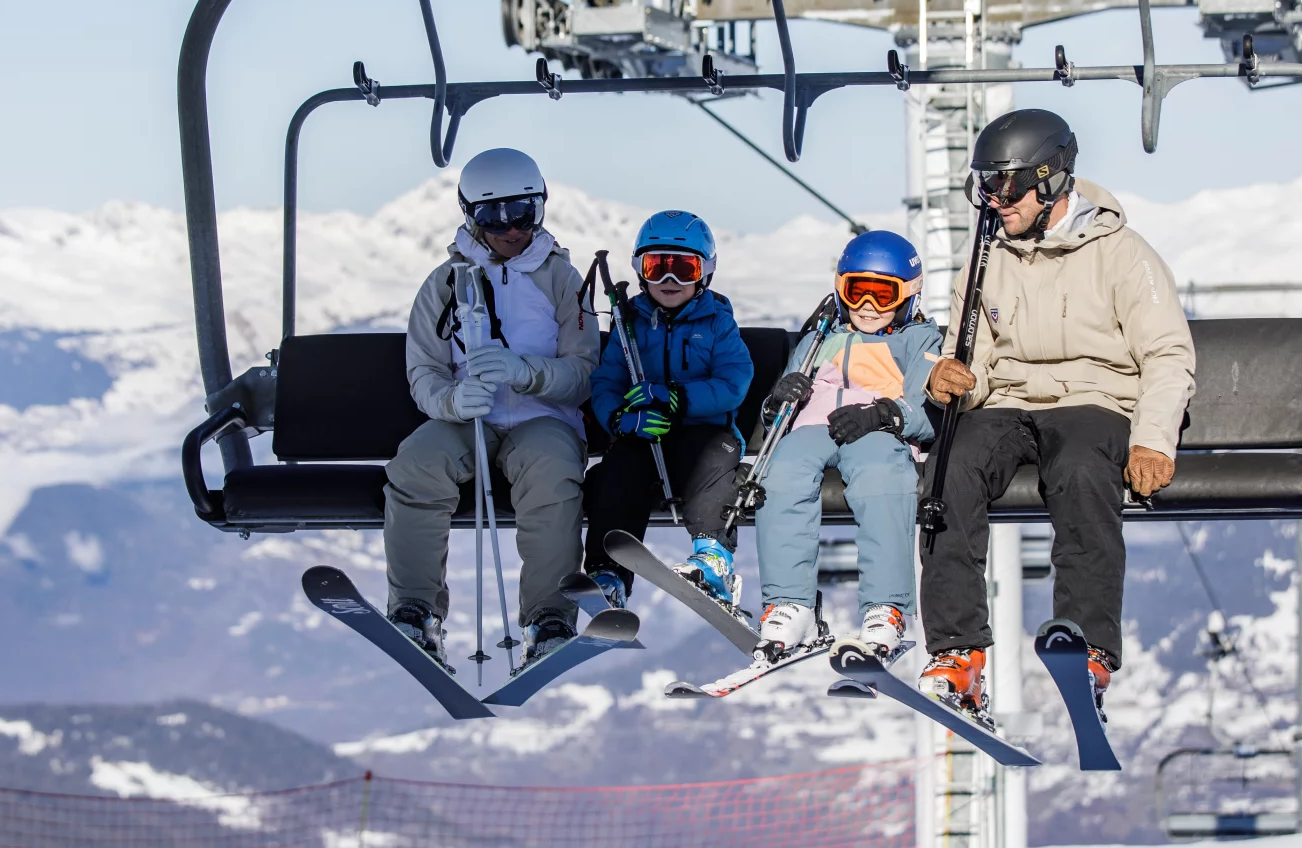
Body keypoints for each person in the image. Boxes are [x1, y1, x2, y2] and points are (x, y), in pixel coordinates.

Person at [917, 109, 1195, 718]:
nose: (995, 200)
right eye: (986, 185)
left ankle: (1087, 646)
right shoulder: (987, 254)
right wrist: (952, 380)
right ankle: (958, 652)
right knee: (949, 469)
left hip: (1094, 397)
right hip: (1009, 401)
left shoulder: (1121, 254)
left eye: (1007, 185)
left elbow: (1168, 355)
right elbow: (973, 351)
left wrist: (1153, 439)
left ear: (1050, 180)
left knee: (1080, 470)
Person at [387, 148, 599, 668]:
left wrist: (526, 372)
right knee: (416, 467)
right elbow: (424, 370)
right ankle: (416, 609)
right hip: (469, 418)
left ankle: (549, 617)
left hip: (543, 418)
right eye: (493, 216)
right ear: (470, 215)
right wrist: (452, 401)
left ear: (540, 206)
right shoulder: (445, 283)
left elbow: (583, 372)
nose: (511, 229)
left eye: (522, 212)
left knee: (551, 475)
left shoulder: (562, 280)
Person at [752, 230, 942, 658]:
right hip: (813, 427)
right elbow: (776, 416)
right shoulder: (819, 338)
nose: (868, 306)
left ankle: (885, 607)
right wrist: (778, 401)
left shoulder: (918, 339)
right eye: (857, 292)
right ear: (841, 289)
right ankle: (789, 603)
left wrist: (883, 414)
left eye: (883, 294)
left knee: (881, 479)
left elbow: (926, 411)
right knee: (781, 473)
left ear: (908, 294)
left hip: (877, 431)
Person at [582, 211, 754, 611]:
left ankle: (713, 558)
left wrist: (678, 398)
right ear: (640, 271)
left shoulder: (717, 322)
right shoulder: (630, 323)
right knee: (617, 471)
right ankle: (608, 571)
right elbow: (607, 382)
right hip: (646, 433)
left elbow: (734, 382)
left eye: (684, 268)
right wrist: (620, 419)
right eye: (657, 268)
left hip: (704, 432)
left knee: (713, 463)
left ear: (704, 272)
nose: (669, 280)